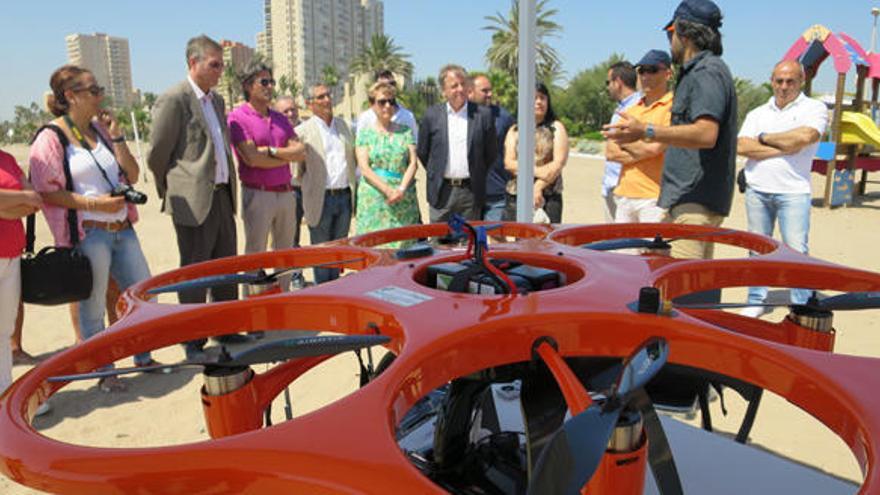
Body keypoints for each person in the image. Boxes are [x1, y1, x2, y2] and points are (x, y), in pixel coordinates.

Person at [30, 65, 161, 392]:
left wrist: (117, 136)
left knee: (142, 295)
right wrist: (93, 205)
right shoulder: (52, 137)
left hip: (122, 229)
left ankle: (143, 357)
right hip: (90, 234)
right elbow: (45, 190)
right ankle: (102, 372)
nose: (101, 95)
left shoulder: (101, 131)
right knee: (91, 309)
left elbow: (130, 173)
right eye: (93, 90)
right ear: (71, 96)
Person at [604, 0, 737, 261]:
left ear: (682, 34)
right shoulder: (701, 72)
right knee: (679, 283)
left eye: (671, 33)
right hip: (688, 200)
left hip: (695, 202)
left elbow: (706, 133)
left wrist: (646, 130)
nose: (670, 40)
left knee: (680, 288)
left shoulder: (706, 72)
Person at [148, 35, 242, 358]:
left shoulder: (216, 101)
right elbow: (157, 154)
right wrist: (174, 189)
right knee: (195, 271)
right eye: (214, 65)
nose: (219, 71)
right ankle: (192, 338)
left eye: (221, 65)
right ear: (194, 63)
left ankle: (226, 330)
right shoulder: (174, 99)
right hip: (192, 202)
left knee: (226, 267)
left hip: (222, 196)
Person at [737, 60, 828, 317]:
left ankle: (800, 302)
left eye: (790, 81)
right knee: (757, 248)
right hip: (758, 189)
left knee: (797, 250)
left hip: (794, 191)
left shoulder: (814, 108)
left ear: (801, 82)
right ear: (772, 80)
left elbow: (804, 138)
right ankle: (756, 300)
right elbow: (742, 146)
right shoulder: (757, 113)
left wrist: (763, 138)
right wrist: (784, 145)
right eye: (779, 81)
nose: (784, 86)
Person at [227, 62, 305, 292]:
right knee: (255, 255)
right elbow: (251, 158)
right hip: (258, 194)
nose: (270, 86)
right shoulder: (237, 118)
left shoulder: (280, 118)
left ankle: (282, 303)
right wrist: (285, 156)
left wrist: (270, 151)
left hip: (286, 194)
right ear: (248, 86)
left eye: (271, 81)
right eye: (264, 82)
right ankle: (251, 310)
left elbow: (300, 152)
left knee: (285, 254)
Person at [418, 64, 497, 222]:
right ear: (443, 91)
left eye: (463, 84)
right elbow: (423, 152)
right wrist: (438, 171)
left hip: (471, 192)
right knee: (438, 243)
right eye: (454, 86)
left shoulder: (483, 115)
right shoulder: (431, 116)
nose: (460, 89)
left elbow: (491, 154)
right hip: (441, 192)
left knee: (469, 243)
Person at [295, 84, 357, 283]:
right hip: (320, 199)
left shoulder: (345, 127)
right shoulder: (302, 132)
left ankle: (336, 290)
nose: (327, 100)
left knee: (339, 251)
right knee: (321, 253)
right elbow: (297, 171)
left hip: (344, 197)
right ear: (309, 104)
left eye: (328, 95)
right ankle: (325, 291)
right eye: (321, 97)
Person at [607, 50, 674, 224]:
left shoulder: (672, 107)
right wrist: (641, 145)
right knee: (621, 251)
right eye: (641, 70)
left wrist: (625, 142)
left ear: (668, 73)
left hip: (654, 197)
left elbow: (655, 148)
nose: (645, 75)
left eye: (652, 70)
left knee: (651, 251)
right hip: (624, 194)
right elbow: (611, 152)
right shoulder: (630, 110)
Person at [354, 82, 420, 244]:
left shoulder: (405, 132)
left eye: (391, 101)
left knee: (403, 247)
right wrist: (388, 190)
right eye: (382, 102)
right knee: (376, 247)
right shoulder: (365, 134)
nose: (387, 106)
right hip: (375, 198)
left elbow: (413, 163)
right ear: (372, 105)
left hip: (403, 197)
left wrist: (401, 189)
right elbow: (364, 167)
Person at [0, 149, 42, 400]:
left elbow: (35, 202)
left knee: (4, 330)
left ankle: (5, 395)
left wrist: (7, 204)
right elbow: (28, 198)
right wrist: (22, 197)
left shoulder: (7, 159)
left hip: (11, 253)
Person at [502, 82, 570, 223]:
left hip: (549, 196)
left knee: (547, 241)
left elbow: (558, 164)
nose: (539, 102)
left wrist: (537, 187)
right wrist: (538, 171)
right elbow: (509, 163)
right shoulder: (515, 130)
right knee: (520, 241)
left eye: (542, 98)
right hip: (517, 194)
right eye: (534, 98)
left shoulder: (556, 128)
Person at [469, 74, 515, 222]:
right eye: (485, 90)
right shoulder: (461, 116)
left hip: (496, 193)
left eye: (491, 90)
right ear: (471, 92)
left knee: (496, 236)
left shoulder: (505, 117)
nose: (490, 94)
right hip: (469, 192)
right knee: (469, 237)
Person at [602, 62, 641, 223]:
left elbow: (620, 150)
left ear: (618, 82)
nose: (608, 87)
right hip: (613, 187)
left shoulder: (636, 109)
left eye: (608, 82)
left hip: (625, 189)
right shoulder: (622, 108)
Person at [355, 70, 419, 144]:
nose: (388, 88)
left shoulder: (407, 116)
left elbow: (415, 143)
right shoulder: (365, 117)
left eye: (392, 84)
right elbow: (359, 146)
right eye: (382, 85)